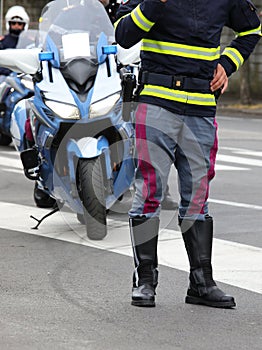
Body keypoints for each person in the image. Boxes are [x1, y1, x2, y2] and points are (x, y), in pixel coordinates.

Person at [115, 0, 261, 308]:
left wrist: (228, 63)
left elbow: (253, 28)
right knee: (150, 192)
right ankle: (145, 280)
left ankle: (201, 283)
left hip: (200, 107)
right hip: (155, 102)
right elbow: (123, 33)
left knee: (197, 195)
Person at [0, 6, 30, 83]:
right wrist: (8, 71)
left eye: (20, 23)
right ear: (9, 24)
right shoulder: (2, 42)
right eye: (13, 23)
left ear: (24, 25)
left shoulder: (29, 42)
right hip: (6, 76)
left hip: (25, 75)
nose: (16, 25)